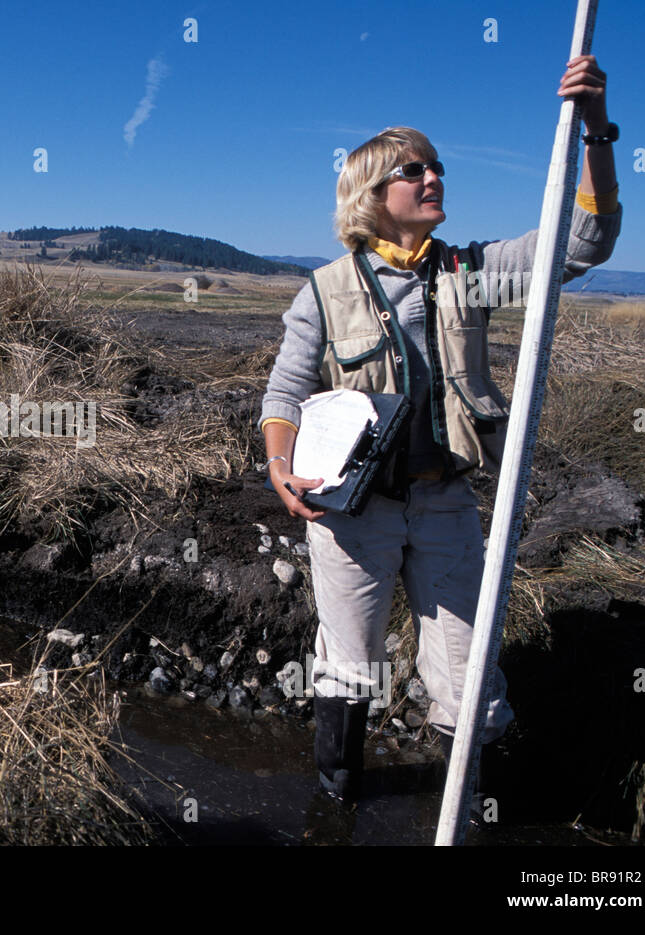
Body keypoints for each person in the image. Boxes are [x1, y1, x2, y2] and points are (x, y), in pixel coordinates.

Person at [259, 56, 622, 806]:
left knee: (468, 673)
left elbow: (582, 241)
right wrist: (278, 464)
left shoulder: (472, 271)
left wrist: (596, 130)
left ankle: (466, 808)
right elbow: (286, 390)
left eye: (437, 167)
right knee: (350, 663)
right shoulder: (324, 291)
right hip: (349, 511)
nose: (433, 178)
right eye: (413, 170)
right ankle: (338, 804)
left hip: (447, 503)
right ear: (372, 195)